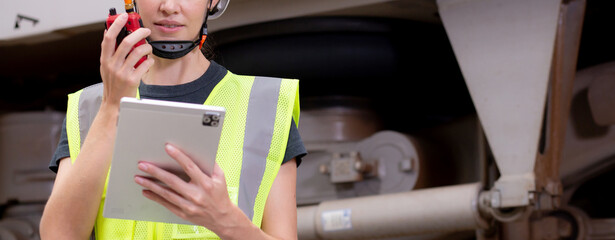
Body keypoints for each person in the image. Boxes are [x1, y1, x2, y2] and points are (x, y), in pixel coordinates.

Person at [39, 0, 306, 239]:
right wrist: (111, 108)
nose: (169, 6)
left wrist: (227, 221)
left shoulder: (266, 107)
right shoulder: (89, 108)